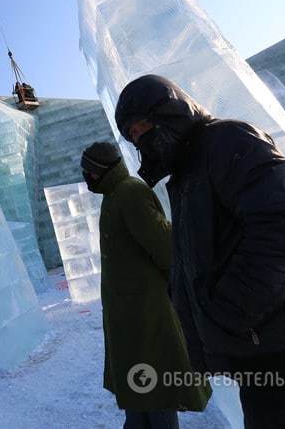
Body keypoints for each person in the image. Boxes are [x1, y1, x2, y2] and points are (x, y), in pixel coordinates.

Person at [114, 75, 285, 429]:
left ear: (171, 112)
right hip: (265, 356)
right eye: (134, 135)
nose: (142, 138)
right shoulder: (188, 172)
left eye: (144, 126)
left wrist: (227, 312)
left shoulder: (229, 140)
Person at [81, 142, 210, 429]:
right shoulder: (114, 194)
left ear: (99, 171)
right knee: (139, 389)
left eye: (87, 171)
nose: (85, 177)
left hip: (147, 314)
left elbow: (165, 248)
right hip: (130, 313)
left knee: (155, 388)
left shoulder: (130, 193)